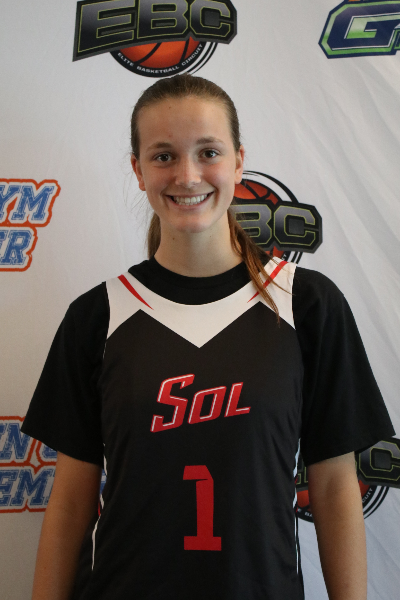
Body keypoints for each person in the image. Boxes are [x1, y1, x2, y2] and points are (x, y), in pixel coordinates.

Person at [22, 74, 394, 600]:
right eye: (164, 156)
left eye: (209, 152)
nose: (188, 175)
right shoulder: (97, 316)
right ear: (138, 170)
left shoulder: (307, 305)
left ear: (239, 162)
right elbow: (70, 501)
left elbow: (334, 487)